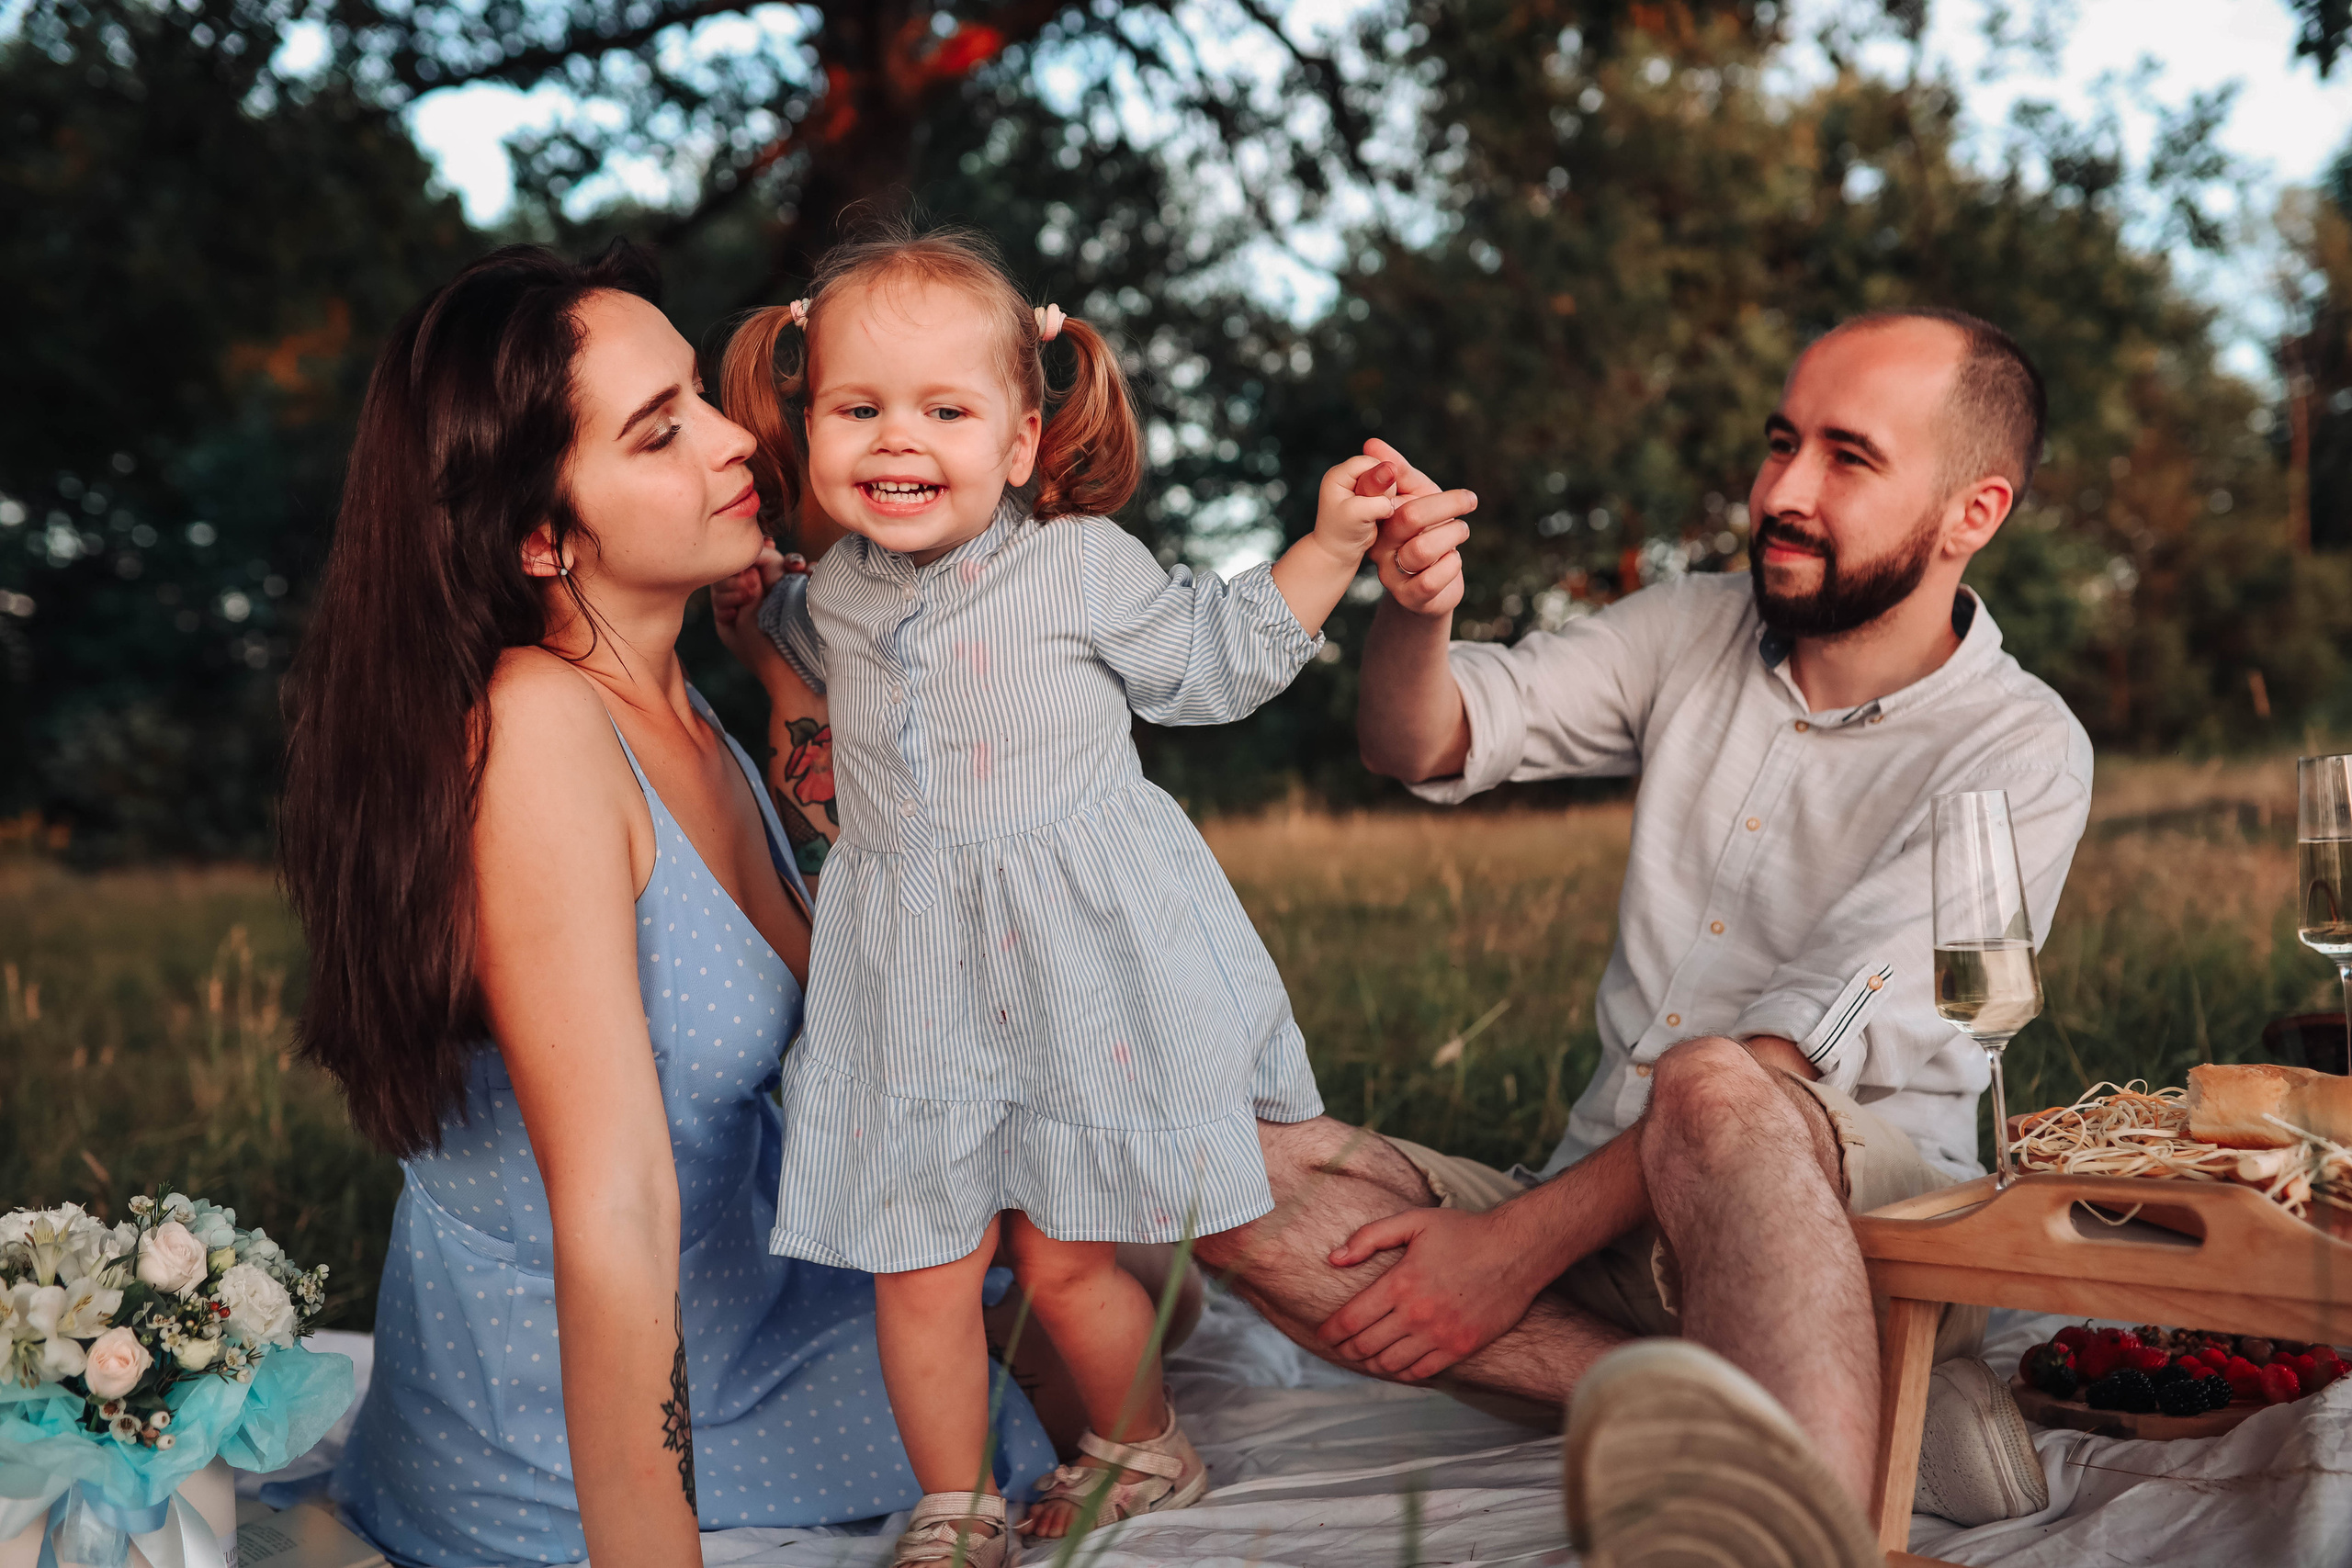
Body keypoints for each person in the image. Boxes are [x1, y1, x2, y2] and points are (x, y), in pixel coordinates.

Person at [1193, 310, 2094, 1566]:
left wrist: (1504, 1254)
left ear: (1971, 514)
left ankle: (1810, 1524)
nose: (1781, 491)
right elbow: (1418, 741)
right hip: (1601, 1220)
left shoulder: (2022, 748)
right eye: (1781, 443)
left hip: (1850, 1228)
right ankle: (1814, 1406)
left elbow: (1792, 1056)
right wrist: (1418, 611)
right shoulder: (1690, 625)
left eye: (1848, 458)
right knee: (1196, 1153)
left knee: (1715, 1084)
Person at [277, 243, 1066, 1568]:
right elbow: (615, 1206)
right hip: (565, 1415)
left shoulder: (687, 712)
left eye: (700, 393)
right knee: (1105, 1288)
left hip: (749, 1297)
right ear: (539, 535)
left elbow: (886, 940)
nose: (733, 437)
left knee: (1125, 1233)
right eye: (660, 433)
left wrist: (786, 669)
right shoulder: (536, 730)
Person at [713, 222, 1475, 1568]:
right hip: (914, 983)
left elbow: (1214, 663)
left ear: (1021, 442)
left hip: (1075, 967)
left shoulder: (1078, 564)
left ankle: (1144, 1445)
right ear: (808, 424)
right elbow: (804, 661)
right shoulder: (830, 592)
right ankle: (955, 1505)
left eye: (946, 411)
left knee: (1066, 1261)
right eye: (858, 409)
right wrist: (754, 619)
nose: (898, 440)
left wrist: (1327, 544)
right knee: (922, 1267)